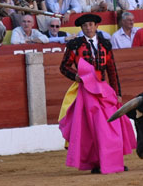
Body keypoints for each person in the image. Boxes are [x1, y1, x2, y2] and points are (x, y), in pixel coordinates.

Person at [58, 12, 135, 175]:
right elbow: (63, 67)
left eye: (91, 25)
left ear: (96, 26)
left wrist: (117, 92)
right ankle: (98, 162)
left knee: (112, 125)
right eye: (85, 26)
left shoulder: (105, 44)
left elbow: (112, 70)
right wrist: (76, 77)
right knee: (97, 128)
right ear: (82, 28)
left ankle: (112, 160)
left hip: (104, 90)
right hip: (86, 92)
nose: (88, 28)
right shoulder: (75, 45)